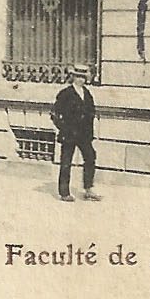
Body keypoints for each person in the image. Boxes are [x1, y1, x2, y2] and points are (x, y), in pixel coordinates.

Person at [51, 64, 100, 202]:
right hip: (70, 134)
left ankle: (88, 189)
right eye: (78, 76)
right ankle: (64, 193)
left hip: (84, 134)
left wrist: (90, 132)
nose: (81, 80)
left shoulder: (87, 93)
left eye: (83, 77)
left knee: (90, 158)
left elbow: (91, 113)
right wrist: (64, 128)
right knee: (66, 161)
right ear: (73, 77)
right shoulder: (65, 94)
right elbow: (55, 114)